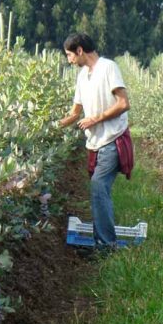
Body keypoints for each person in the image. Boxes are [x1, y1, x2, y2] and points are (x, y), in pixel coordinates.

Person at [59, 33, 133, 251]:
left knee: (98, 186)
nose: (69, 60)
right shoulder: (82, 76)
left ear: (80, 50)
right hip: (95, 143)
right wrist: (51, 126)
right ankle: (102, 241)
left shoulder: (108, 68)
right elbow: (75, 112)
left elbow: (123, 103)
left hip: (113, 139)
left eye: (69, 55)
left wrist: (96, 118)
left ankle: (105, 245)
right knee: (100, 191)